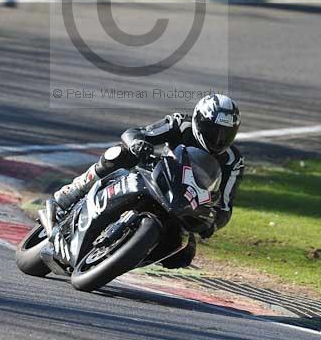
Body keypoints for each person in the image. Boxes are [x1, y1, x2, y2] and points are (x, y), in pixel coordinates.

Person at [53, 93, 244, 268]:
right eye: (212, 130)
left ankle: (127, 255)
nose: (218, 139)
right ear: (198, 120)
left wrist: (213, 224)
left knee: (181, 255)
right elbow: (136, 132)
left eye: (226, 133)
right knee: (121, 153)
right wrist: (138, 143)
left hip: (184, 202)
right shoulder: (180, 124)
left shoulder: (233, 160)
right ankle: (76, 189)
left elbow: (225, 206)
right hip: (157, 176)